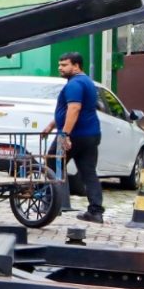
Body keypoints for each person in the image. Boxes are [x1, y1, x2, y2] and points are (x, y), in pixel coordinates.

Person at [40, 51, 103, 224]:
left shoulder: (74, 84)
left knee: (51, 165)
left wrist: (64, 134)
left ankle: (50, 205)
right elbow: (68, 110)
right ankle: (95, 212)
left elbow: (74, 109)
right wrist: (51, 125)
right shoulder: (87, 82)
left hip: (72, 135)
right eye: (59, 64)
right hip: (91, 134)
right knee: (89, 172)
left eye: (64, 65)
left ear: (76, 66)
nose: (60, 68)